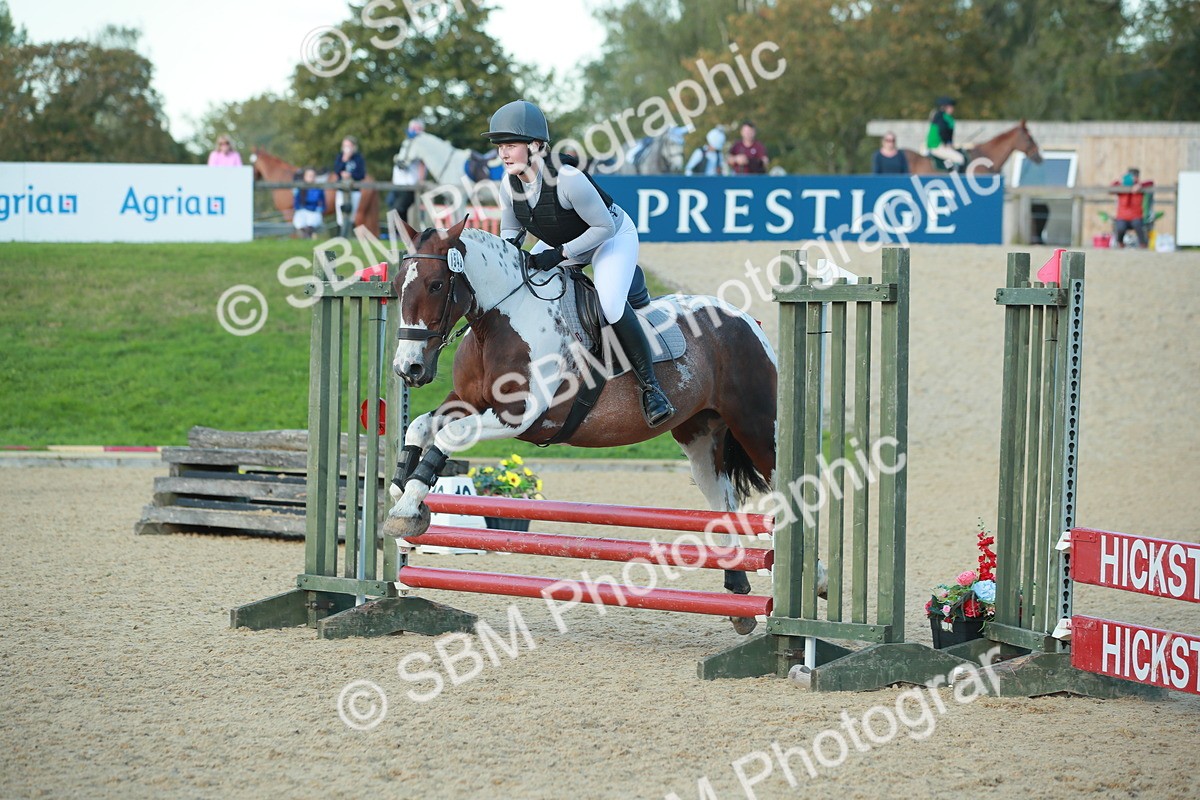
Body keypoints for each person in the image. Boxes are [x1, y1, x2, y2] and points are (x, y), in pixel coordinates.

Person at [483, 99, 675, 427]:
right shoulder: (508, 184)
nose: (503, 153)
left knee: (611, 305)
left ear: (536, 146)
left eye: (511, 146)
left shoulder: (567, 179)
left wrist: (558, 255)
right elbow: (511, 236)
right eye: (501, 146)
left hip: (611, 236)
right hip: (568, 240)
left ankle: (651, 389)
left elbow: (604, 228)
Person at [390, 119, 426, 223]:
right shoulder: (406, 142)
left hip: (409, 184)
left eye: (417, 128)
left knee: (398, 209)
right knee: (397, 209)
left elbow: (422, 164)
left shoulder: (421, 145)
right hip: (398, 183)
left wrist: (421, 180)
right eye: (413, 128)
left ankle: (402, 233)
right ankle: (402, 235)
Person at [1108, 167, 1153, 249]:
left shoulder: (1140, 187)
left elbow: (1151, 182)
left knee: (1138, 224)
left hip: (1136, 217)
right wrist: (1120, 181)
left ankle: (1143, 245)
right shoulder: (1121, 187)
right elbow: (1111, 188)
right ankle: (1120, 243)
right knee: (1120, 227)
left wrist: (1140, 185)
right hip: (1122, 217)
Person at [333, 135, 366, 231]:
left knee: (351, 214)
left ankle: (348, 235)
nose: (346, 148)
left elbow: (361, 174)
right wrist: (344, 160)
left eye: (349, 146)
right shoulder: (340, 157)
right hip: (341, 189)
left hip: (354, 190)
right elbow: (337, 170)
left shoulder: (358, 158)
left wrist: (350, 175)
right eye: (345, 146)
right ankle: (340, 236)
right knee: (340, 213)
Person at [926, 97, 965, 169]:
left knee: (950, 159)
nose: (952, 109)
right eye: (950, 107)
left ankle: (947, 169)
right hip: (938, 146)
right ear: (945, 107)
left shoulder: (938, 115)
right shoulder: (946, 118)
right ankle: (953, 177)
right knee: (960, 158)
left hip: (934, 145)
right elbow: (943, 132)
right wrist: (947, 143)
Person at [292, 167, 325, 239]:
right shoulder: (300, 188)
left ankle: (308, 236)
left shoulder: (318, 188)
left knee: (312, 223)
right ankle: (305, 238)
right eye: (309, 176)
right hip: (302, 211)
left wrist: (320, 209)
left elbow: (322, 202)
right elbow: (296, 202)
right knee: (299, 223)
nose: (311, 178)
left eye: (313, 176)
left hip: (314, 211)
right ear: (305, 177)